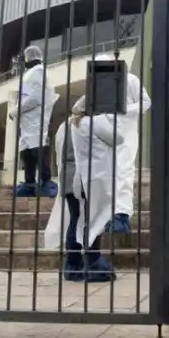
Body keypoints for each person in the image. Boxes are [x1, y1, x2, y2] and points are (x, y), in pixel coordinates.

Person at [44, 96, 117, 282]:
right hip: (84, 176)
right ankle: (93, 263)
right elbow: (116, 139)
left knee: (75, 219)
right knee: (91, 220)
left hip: (67, 177)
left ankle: (72, 264)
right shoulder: (90, 124)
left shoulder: (64, 126)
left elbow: (58, 151)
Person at [107, 59, 152, 235]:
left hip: (126, 133)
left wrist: (124, 109)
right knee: (106, 174)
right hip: (104, 132)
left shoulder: (131, 80)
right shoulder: (101, 83)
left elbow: (145, 102)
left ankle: (121, 214)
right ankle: (107, 215)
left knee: (123, 172)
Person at [9, 45, 59, 197]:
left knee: (37, 148)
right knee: (27, 151)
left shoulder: (38, 72)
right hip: (27, 121)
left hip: (35, 118)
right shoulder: (30, 74)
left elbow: (36, 97)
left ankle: (45, 181)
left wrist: (16, 110)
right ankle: (29, 182)